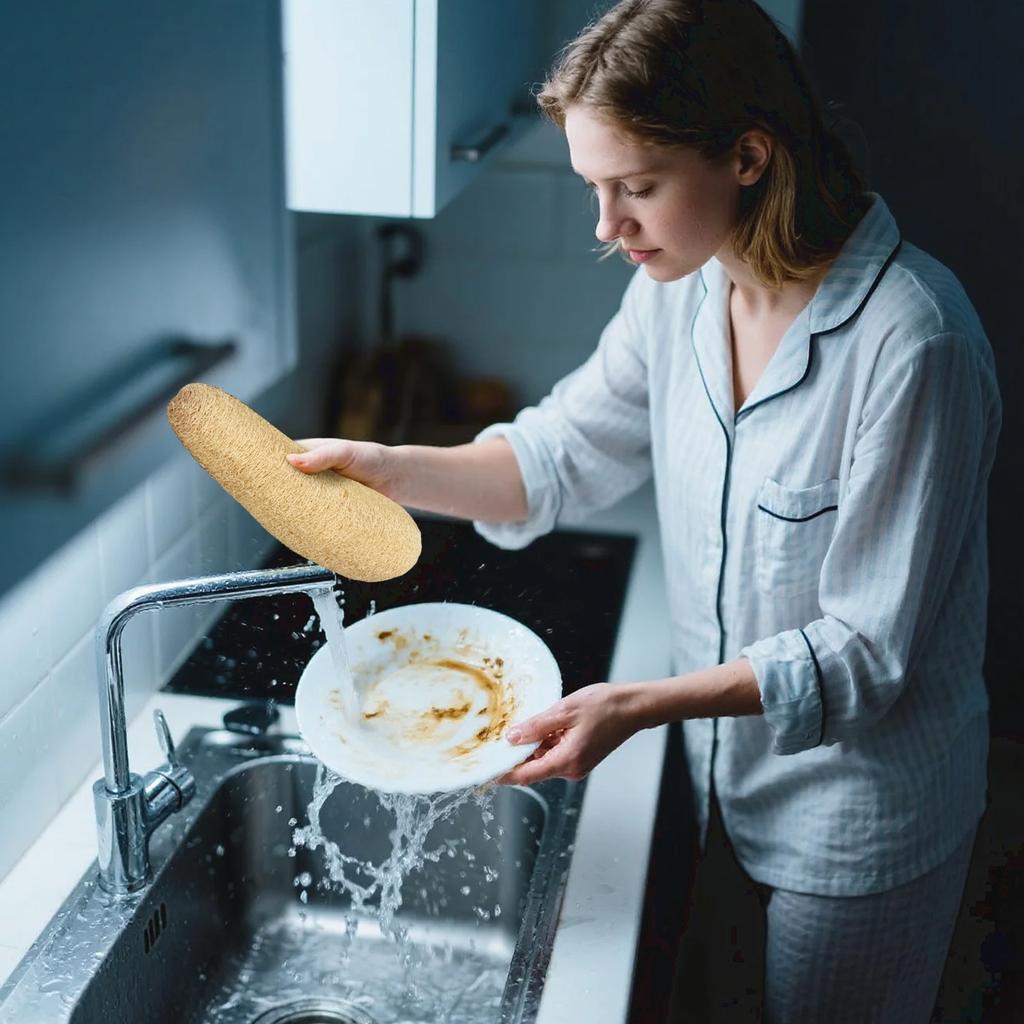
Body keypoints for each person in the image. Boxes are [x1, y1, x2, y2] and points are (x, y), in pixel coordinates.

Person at [287, 0, 1002, 1019]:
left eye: (637, 188)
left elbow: (864, 654)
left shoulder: (914, 342)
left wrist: (638, 704)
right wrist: (387, 468)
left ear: (747, 156)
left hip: (860, 819)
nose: (606, 226)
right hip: (722, 779)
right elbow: (556, 455)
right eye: (594, 188)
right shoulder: (681, 290)